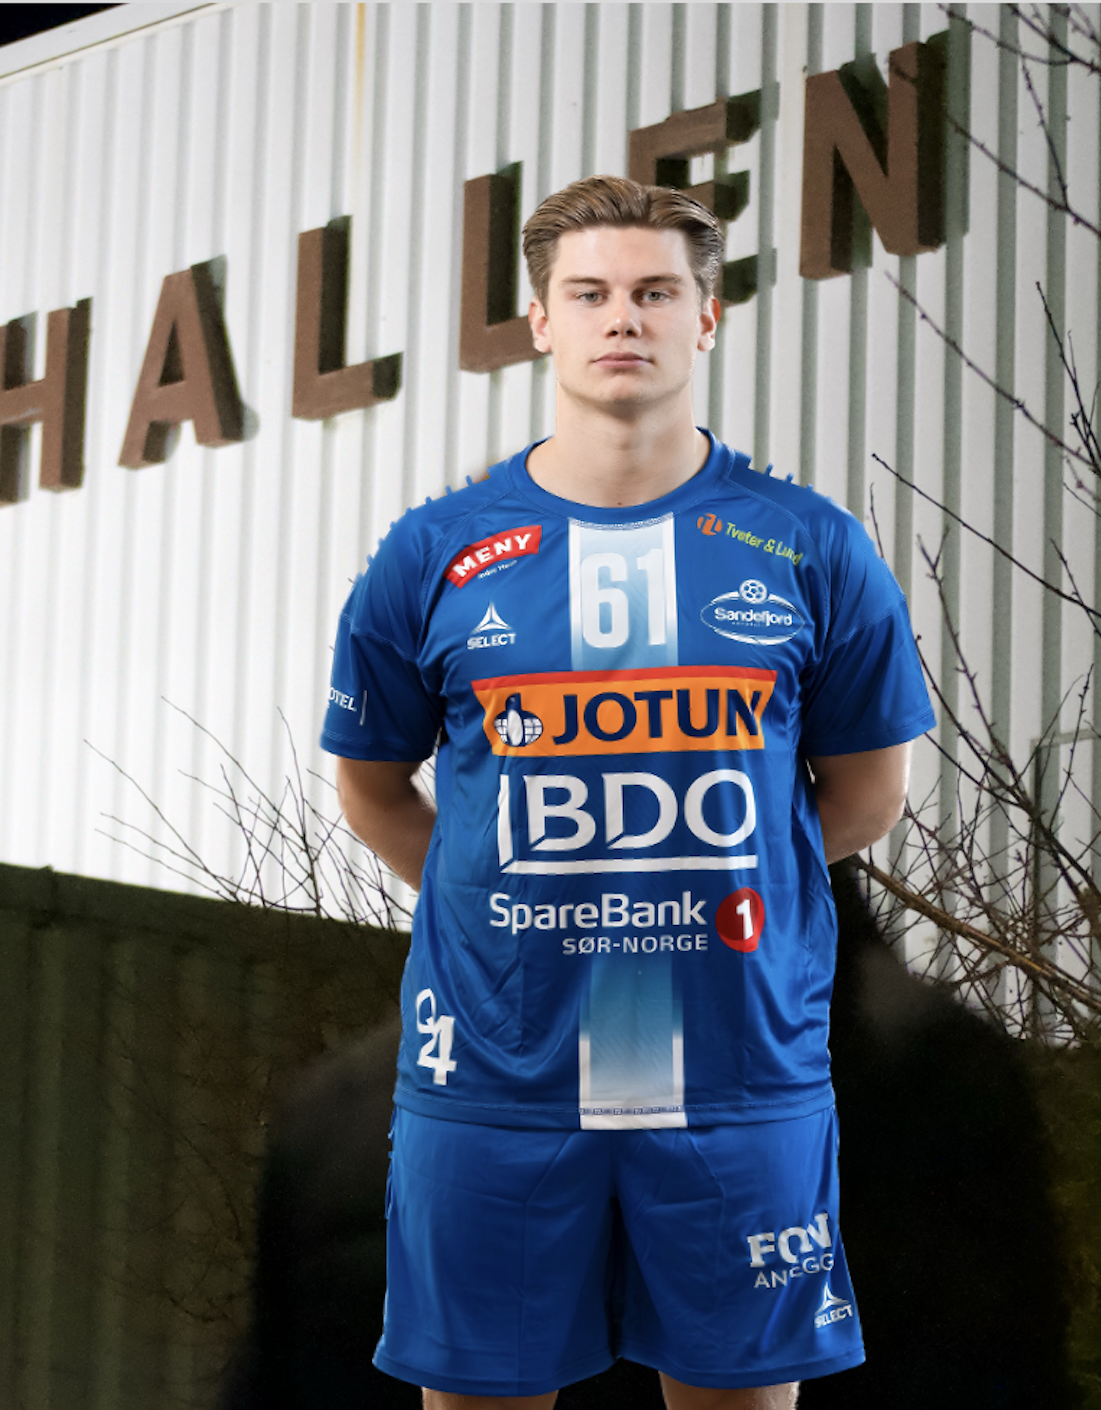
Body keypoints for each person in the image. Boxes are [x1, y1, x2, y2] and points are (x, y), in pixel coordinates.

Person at [318, 175, 935, 1410]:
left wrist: (717, 879)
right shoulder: (432, 551)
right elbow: (373, 788)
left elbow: (869, 795)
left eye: (655, 292)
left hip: (740, 1076)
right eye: (590, 292)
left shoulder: (811, 545)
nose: (623, 318)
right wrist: (494, 896)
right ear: (540, 321)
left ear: (705, 317)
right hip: (490, 1080)